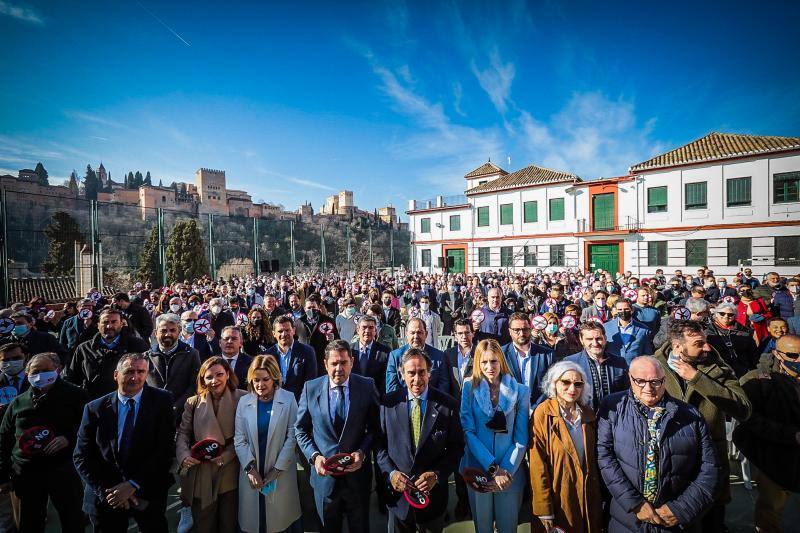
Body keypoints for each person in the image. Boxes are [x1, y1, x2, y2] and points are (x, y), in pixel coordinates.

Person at [597, 356, 718, 532]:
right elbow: (604, 455)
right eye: (640, 381)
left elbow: (710, 467)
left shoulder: (690, 415)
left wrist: (681, 508)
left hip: (677, 522)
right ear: (630, 378)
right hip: (627, 519)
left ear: (664, 380)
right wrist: (634, 503)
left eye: (655, 381)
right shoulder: (612, 406)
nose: (648, 388)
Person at [654, 320, 752, 532]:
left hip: (709, 462)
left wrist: (698, 379)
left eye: (706, 341)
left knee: (712, 521)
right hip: (669, 463)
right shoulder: (653, 367)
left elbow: (743, 409)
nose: (707, 347)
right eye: (699, 343)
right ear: (678, 346)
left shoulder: (718, 368)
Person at [73, 353, 176, 532]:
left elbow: (164, 450)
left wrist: (132, 485)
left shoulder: (162, 401)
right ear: (116, 375)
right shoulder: (94, 408)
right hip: (106, 496)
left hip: (148, 491)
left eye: (141, 371)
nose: (135, 377)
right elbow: (81, 456)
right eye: (129, 371)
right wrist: (112, 492)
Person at [295, 339, 380, 533]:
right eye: (334, 363)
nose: (339, 368)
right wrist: (315, 457)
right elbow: (300, 429)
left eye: (343, 362)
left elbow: (376, 428)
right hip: (325, 481)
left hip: (357, 480)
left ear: (352, 361)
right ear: (325, 364)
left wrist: (363, 451)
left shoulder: (366, 386)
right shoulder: (311, 388)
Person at [377, 348, 463, 533]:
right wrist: (391, 474)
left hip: (433, 499)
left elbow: (456, 449)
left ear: (429, 373)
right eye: (411, 373)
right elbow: (379, 446)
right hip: (398, 499)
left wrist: (437, 475)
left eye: (422, 372)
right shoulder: (387, 404)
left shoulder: (448, 405)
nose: (417, 379)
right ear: (402, 374)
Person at [0, 352, 87, 533]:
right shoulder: (18, 402)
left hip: (63, 470)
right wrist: (3, 474)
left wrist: (69, 438)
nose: (40, 375)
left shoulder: (76, 396)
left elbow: (91, 428)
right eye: (35, 371)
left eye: (46, 370)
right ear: (27, 373)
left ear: (58, 369)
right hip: (25, 473)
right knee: (28, 524)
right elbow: (4, 438)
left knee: (73, 520)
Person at [460, 338, 530, 533]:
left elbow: (521, 438)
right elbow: (468, 430)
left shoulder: (520, 391)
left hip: (510, 473)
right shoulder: (468, 388)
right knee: (482, 527)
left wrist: (504, 471)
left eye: (494, 361)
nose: (489, 367)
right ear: (477, 363)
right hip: (478, 468)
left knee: (508, 527)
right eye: (484, 362)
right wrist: (492, 468)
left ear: (501, 361)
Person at [733, 334, 800, 532]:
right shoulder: (757, 380)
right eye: (792, 355)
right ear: (777, 354)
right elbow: (749, 418)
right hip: (775, 458)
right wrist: (791, 435)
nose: (799, 360)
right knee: (771, 508)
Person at [530, 360, 602, 533]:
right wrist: (543, 509)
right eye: (566, 382)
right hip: (558, 496)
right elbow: (537, 464)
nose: (572, 389)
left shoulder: (588, 414)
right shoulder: (543, 413)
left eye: (578, 384)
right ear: (555, 383)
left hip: (587, 496)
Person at [177, 356, 246, 533]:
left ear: (228, 375)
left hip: (231, 470)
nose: (214, 381)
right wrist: (184, 455)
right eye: (209, 377)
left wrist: (228, 455)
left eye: (219, 374)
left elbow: (245, 435)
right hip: (202, 471)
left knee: (228, 523)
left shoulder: (243, 399)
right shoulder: (193, 402)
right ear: (202, 379)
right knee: (204, 524)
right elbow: (183, 433)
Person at [234, 354, 302, 533]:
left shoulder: (288, 399)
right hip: (252, 472)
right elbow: (239, 439)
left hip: (281, 472)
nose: (260, 385)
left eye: (265, 379)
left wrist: (277, 469)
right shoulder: (244, 402)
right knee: (253, 520)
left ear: (274, 378)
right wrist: (250, 469)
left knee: (279, 519)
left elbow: (292, 436)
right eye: (256, 380)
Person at [67, 308, 151, 399]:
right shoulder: (84, 349)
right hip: (93, 403)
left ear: (121, 324)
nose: (109, 326)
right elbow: (73, 379)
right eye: (105, 322)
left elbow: (148, 377)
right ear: (98, 325)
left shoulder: (137, 346)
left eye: (114, 322)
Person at [145, 313, 202, 425]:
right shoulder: (146, 357)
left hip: (182, 416)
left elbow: (194, 384)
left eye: (172, 330)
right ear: (156, 332)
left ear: (179, 330)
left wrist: (176, 407)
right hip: (152, 415)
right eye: (164, 330)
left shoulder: (192, 354)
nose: (168, 334)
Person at [443, 318, 474, 519]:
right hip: (454, 417)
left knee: (473, 458)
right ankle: (462, 501)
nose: (464, 336)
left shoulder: (481, 354)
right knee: (457, 460)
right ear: (455, 335)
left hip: (474, 417)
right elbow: (446, 385)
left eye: (467, 332)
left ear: (473, 333)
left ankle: (473, 500)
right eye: (460, 333)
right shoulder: (448, 355)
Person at [564, 322, 629, 411]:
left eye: (598, 338)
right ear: (581, 340)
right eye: (589, 339)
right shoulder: (570, 363)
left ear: (605, 339)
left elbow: (626, 393)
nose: (595, 343)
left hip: (614, 418)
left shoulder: (619, 363)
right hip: (583, 418)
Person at [386, 318, 451, 395]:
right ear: (406, 334)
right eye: (412, 333)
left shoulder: (439, 356)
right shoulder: (395, 356)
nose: (416, 336)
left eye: (419, 332)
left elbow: (443, 387)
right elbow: (392, 388)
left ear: (426, 334)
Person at [502, 312, 554, 407]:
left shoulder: (547, 355)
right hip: (510, 410)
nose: (521, 333)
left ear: (530, 329)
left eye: (525, 329)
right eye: (516, 330)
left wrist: (536, 408)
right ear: (509, 331)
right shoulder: (501, 354)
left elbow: (551, 385)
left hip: (539, 410)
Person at [263, 316, 317, 400]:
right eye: (280, 331)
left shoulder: (307, 351)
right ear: (274, 334)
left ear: (294, 331)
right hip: (275, 403)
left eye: (287, 330)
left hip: (299, 403)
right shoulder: (267, 355)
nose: (284, 334)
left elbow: (310, 382)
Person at [704, 302, 758, 378]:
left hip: (744, 372)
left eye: (730, 314)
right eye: (722, 313)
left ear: (735, 316)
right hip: (721, 373)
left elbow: (753, 354)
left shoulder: (744, 332)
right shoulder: (708, 333)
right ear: (716, 314)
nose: (726, 316)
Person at [295, 294, 339, 372]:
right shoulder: (298, 322)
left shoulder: (327, 321)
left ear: (318, 308)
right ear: (305, 309)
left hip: (321, 361)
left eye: (313, 307)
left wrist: (333, 339)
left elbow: (337, 340)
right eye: (309, 308)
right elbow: (294, 340)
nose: (311, 310)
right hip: (304, 360)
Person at [350, 315, 390, 397]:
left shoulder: (385, 352)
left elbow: (385, 380)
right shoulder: (349, 350)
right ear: (358, 330)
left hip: (375, 398)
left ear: (375, 331)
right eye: (364, 327)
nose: (367, 331)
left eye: (371, 328)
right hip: (352, 397)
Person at [604, 299, 654, 364]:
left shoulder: (643, 329)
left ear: (632, 310)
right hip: (614, 367)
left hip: (635, 368)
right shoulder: (606, 327)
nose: (623, 311)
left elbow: (647, 354)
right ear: (616, 310)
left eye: (626, 309)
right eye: (620, 309)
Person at [219, 326, 255, 391]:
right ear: (220, 343)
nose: (229, 341)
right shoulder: (212, 363)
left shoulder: (251, 363)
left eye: (234, 339)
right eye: (226, 339)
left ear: (241, 343)